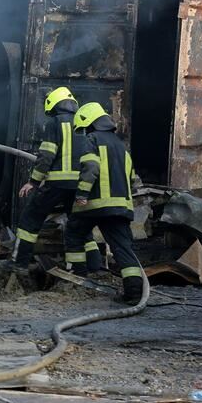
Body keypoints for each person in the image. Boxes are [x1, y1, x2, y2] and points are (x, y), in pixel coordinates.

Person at [12, 87, 102, 271]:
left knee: (30, 219)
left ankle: (19, 263)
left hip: (57, 185)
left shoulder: (55, 123)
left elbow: (46, 155)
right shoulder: (85, 124)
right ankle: (94, 268)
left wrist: (33, 182)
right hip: (80, 187)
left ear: (54, 105)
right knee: (80, 227)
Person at [62, 102, 144, 304]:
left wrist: (82, 193)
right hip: (120, 207)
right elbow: (132, 179)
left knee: (74, 233)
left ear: (89, 122)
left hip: (95, 205)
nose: (84, 132)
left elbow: (91, 167)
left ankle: (76, 278)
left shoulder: (92, 139)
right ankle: (134, 293)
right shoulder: (120, 146)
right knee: (122, 247)